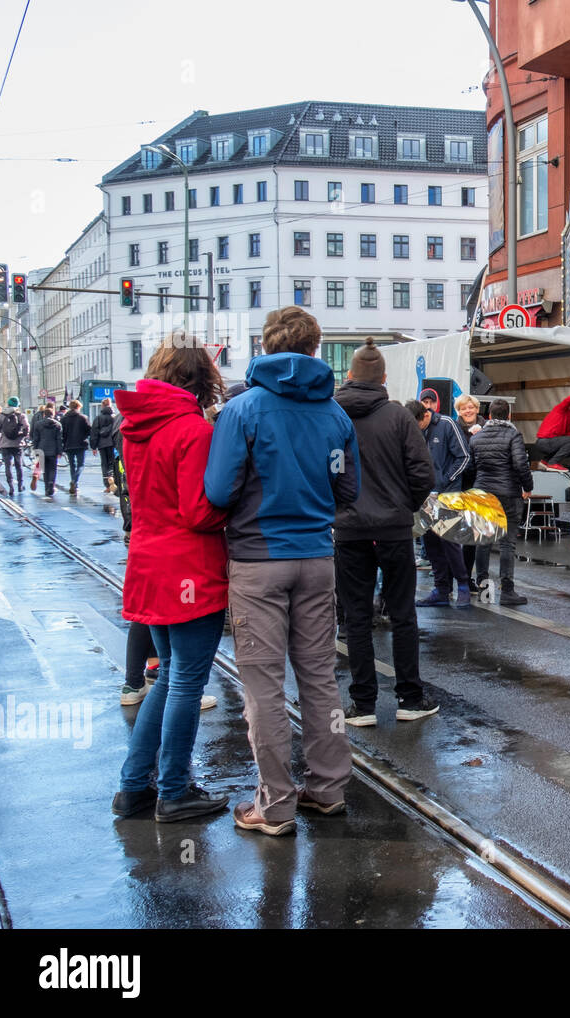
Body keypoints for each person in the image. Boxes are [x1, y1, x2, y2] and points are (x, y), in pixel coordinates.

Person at [205, 306, 359, 836]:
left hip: (257, 561)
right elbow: (347, 489)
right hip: (317, 559)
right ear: (316, 350)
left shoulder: (243, 410)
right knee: (319, 675)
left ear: (265, 346)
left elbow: (219, 491)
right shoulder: (335, 415)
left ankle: (274, 806)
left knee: (263, 685)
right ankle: (329, 789)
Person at [111, 336, 231, 822]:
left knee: (166, 679)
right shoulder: (191, 430)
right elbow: (199, 512)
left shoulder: (135, 425)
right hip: (188, 568)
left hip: (147, 562)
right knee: (184, 681)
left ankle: (135, 785)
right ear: (201, 378)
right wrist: (233, 496)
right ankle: (175, 790)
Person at [333, 339, 436, 727]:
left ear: (349, 376)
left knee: (356, 617)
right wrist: (402, 507)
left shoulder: (332, 415)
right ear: (385, 379)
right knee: (402, 612)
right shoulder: (398, 417)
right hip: (393, 530)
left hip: (348, 530)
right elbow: (423, 474)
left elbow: (323, 470)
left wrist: (338, 509)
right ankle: (410, 698)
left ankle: (363, 704)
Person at [470, 398, 534, 606]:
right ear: (508, 416)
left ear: (489, 416)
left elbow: (472, 466)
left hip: (483, 493)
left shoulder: (477, 438)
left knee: (484, 541)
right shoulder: (513, 434)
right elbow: (520, 464)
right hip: (508, 494)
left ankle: (483, 588)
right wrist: (528, 486)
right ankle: (507, 591)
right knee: (507, 542)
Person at [416, 387, 474, 608]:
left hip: (448, 495)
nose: (428, 404)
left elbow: (464, 456)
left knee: (450, 542)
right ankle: (441, 589)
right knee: (431, 544)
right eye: (424, 401)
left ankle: (463, 587)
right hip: (426, 497)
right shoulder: (417, 426)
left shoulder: (447, 424)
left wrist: (447, 480)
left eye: (431, 401)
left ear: (435, 406)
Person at [454, 393, 486, 583]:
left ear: (477, 409)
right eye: (464, 408)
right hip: (458, 486)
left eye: (471, 407)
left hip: (478, 486)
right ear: (459, 411)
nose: (468, 411)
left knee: (472, 538)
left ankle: (466, 578)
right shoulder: (454, 429)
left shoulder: (486, 428)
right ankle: (449, 578)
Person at [0, 397, 28, 495]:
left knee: (8, 466)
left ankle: (11, 486)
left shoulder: (1, 415)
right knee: (19, 465)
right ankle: (20, 485)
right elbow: (26, 427)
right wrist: (22, 436)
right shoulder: (21, 415)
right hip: (18, 444)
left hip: (4, 444)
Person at [31, 405, 64, 499]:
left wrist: (35, 449)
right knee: (53, 469)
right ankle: (51, 485)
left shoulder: (38, 424)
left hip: (41, 449)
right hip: (53, 450)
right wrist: (60, 451)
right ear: (53, 414)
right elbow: (59, 439)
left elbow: (36, 439)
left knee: (44, 470)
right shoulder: (57, 425)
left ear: (44, 414)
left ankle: (46, 488)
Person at [60, 399, 91, 495]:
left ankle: (75, 484)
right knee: (81, 465)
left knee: (72, 465)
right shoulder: (83, 417)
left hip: (68, 445)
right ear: (78, 407)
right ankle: (74, 481)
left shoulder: (64, 418)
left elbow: (62, 433)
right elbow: (89, 430)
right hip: (81, 444)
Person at [90, 397, 119, 493]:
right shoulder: (115, 417)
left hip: (102, 444)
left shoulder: (98, 418)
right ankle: (112, 477)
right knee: (113, 463)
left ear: (102, 406)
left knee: (104, 464)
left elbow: (94, 433)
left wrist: (93, 447)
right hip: (113, 443)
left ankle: (107, 485)